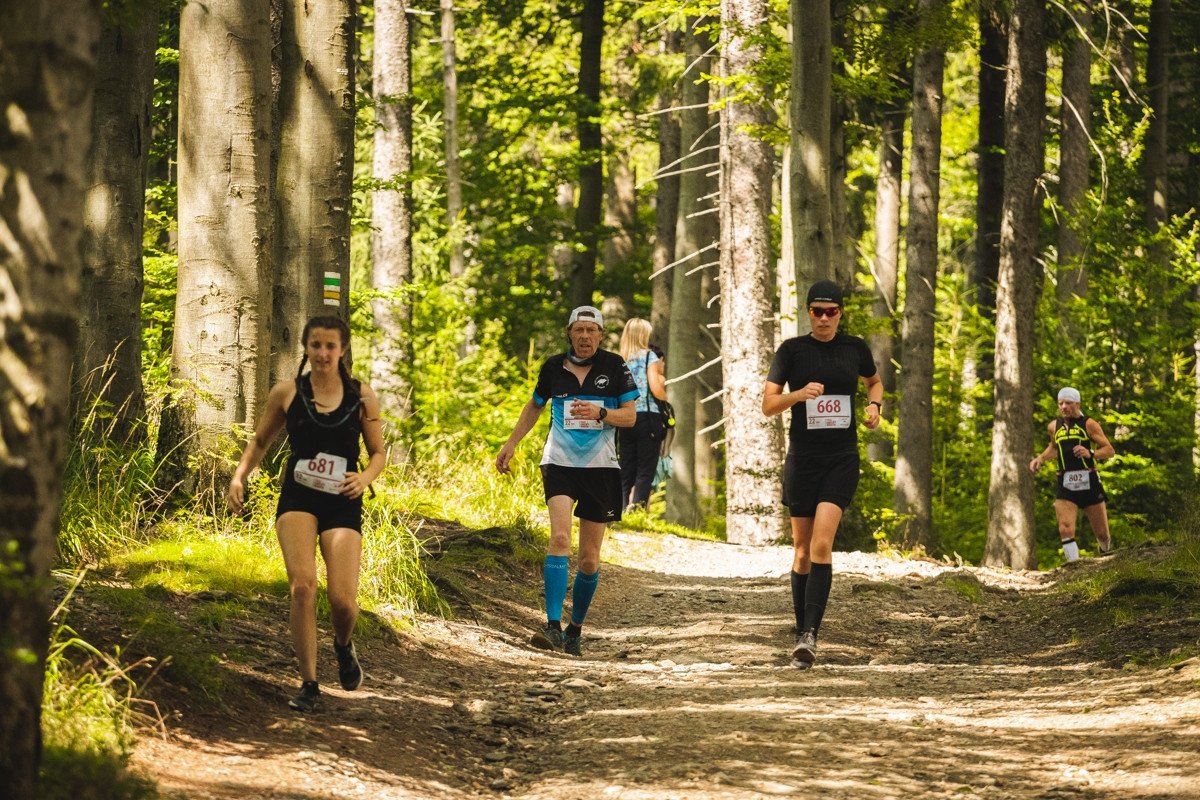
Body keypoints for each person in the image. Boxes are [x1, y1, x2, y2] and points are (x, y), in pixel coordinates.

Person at [227, 315, 386, 712]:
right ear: (306, 347)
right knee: (302, 586)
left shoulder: (362, 396)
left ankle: (343, 645)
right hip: (299, 496)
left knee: (343, 602)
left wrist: (365, 478)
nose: (322, 353)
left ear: (343, 350)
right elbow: (260, 440)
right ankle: (309, 683)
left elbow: (378, 453)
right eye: (316, 345)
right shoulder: (286, 393)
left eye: (331, 346)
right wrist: (239, 476)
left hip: (343, 498)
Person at [495, 306, 638, 657]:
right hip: (559, 463)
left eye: (591, 330)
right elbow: (535, 405)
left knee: (589, 559)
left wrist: (601, 412)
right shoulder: (553, 367)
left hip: (601, 468)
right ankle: (552, 626)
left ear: (601, 335)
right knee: (559, 538)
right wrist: (511, 443)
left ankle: (575, 629)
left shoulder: (615, 366)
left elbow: (630, 417)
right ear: (570, 333)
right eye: (579, 330)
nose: (585, 336)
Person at [762, 280, 882, 669]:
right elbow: (768, 404)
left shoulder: (855, 348)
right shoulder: (792, 351)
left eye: (831, 312)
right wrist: (798, 395)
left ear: (840, 313)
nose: (824, 318)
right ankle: (802, 630)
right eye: (817, 311)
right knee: (801, 551)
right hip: (803, 460)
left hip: (841, 459)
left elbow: (874, 381)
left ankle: (810, 635)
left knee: (821, 545)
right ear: (809, 313)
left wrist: (875, 407)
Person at [1030, 387, 1115, 562]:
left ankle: (1106, 555)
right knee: (1065, 527)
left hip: (1089, 480)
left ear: (1077, 404)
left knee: (1102, 534)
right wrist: (1040, 458)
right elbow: (1054, 448)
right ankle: (1074, 567)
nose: (1063, 407)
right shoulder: (1054, 427)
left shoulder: (1089, 424)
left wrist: (1090, 453)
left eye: (1068, 403)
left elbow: (1109, 450)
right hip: (1065, 481)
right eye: (1060, 403)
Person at [617, 318, 669, 510]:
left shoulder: (620, 359)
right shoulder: (649, 357)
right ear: (643, 335)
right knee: (645, 469)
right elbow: (655, 388)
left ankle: (621, 509)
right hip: (648, 417)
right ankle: (637, 509)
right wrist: (665, 398)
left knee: (626, 468)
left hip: (625, 418)